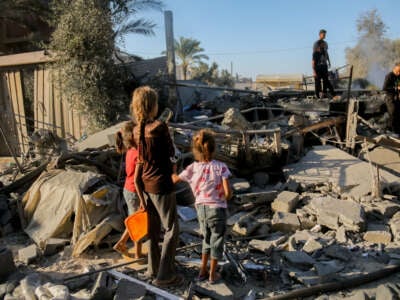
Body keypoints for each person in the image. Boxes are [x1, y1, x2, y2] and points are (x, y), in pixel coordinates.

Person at [131, 86, 182, 287]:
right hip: (162, 185)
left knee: (152, 231)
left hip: (145, 184)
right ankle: (164, 275)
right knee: (172, 229)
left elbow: (142, 159)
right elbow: (171, 154)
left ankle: (152, 270)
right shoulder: (160, 127)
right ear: (152, 106)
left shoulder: (136, 129)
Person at [172, 129, 232, 284]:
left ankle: (202, 271)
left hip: (201, 209)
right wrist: (222, 199)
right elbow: (228, 192)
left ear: (196, 150)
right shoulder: (221, 167)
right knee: (217, 240)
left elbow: (175, 179)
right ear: (213, 148)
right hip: (217, 209)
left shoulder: (192, 168)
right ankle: (212, 274)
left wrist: (172, 168)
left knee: (206, 239)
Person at [113, 121, 144, 259]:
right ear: (133, 134)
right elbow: (138, 179)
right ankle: (137, 254)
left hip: (128, 189)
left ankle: (122, 243)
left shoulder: (130, 150)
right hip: (134, 191)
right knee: (138, 224)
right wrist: (142, 198)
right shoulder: (138, 151)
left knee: (134, 220)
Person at [312, 29, 334, 98]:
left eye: (325, 34)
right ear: (320, 34)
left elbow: (326, 53)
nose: (324, 35)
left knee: (325, 79)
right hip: (318, 65)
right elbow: (314, 56)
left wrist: (329, 61)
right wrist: (314, 69)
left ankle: (324, 93)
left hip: (324, 65)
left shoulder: (326, 43)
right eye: (323, 34)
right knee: (317, 81)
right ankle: (317, 94)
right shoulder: (316, 43)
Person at [383, 62, 400, 134]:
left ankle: (396, 130)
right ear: (395, 68)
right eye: (398, 71)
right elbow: (385, 88)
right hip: (390, 98)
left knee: (397, 114)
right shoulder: (389, 76)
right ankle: (390, 130)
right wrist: (396, 88)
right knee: (392, 113)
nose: (399, 73)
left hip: (397, 98)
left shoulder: (399, 77)